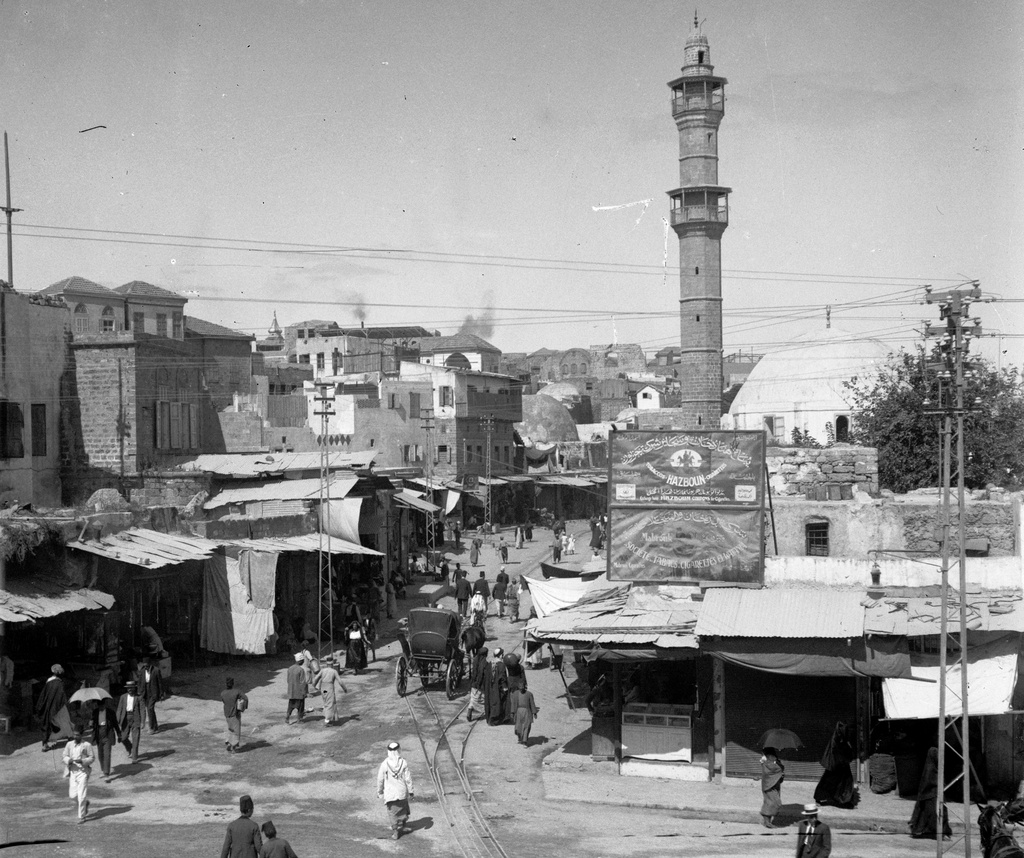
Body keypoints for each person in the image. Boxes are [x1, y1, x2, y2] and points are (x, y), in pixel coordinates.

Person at [909, 747, 952, 839]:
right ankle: (938, 832)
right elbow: (930, 782)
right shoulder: (930, 769)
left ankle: (939, 831)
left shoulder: (933, 767)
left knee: (936, 812)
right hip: (931, 794)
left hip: (932, 794)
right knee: (935, 813)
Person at [377, 741, 414, 840]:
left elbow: (380, 779)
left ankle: (396, 832)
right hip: (402, 792)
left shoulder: (384, 764)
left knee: (392, 813)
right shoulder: (403, 762)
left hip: (390, 794)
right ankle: (404, 826)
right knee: (404, 809)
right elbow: (408, 778)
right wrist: (411, 790)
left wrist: (380, 791)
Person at [814, 721, 855, 807]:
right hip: (835, 764)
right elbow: (836, 752)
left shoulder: (842, 739)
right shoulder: (836, 740)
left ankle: (845, 800)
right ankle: (819, 798)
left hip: (841, 764)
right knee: (828, 782)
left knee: (845, 783)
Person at [62, 725, 94, 824]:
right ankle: (85, 804)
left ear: (81, 735)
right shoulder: (69, 744)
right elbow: (64, 755)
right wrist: (68, 760)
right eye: (74, 735)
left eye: (77, 735)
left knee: (82, 795)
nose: (75, 737)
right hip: (72, 772)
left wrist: (83, 761)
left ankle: (82, 816)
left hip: (83, 772)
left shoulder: (87, 745)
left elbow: (92, 758)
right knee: (72, 795)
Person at [36, 663, 71, 751]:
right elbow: (61, 696)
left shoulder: (48, 681)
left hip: (49, 707)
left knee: (48, 723)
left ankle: (45, 744)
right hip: (59, 706)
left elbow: (45, 695)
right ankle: (70, 737)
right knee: (65, 720)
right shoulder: (59, 682)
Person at [86, 696, 121, 781]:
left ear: (105, 705)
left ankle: (106, 773)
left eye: (102, 705)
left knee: (107, 754)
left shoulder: (111, 712)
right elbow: (91, 724)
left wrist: (119, 734)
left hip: (107, 735)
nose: (101, 707)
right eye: (99, 706)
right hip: (98, 735)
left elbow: (115, 724)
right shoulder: (94, 712)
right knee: (100, 754)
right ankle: (103, 770)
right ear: (97, 705)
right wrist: (90, 723)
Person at [116, 679, 144, 763]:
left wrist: (143, 721)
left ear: (134, 688)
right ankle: (130, 748)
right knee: (123, 737)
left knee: (135, 738)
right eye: (128, 688)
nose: (130, 690)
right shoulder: (123, 697)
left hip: (135, 719)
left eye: (131, 688)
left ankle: (134, 758)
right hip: (125, 718)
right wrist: (117, 719)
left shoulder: (139, 697)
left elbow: (142, 709)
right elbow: (119, 709)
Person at [314, 660, 347, 726]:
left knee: (327, 702)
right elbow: (340, 681)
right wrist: (344, 689)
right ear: (332, 665)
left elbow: (316, 678)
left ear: (327, 664)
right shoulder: (334, 671)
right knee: (330, 703)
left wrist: (314, 686)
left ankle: (333, 718)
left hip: (323, 689)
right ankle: (327, 721)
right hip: (329, 688)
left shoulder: (323, 670)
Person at [137, 655, 164, 734]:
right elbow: (140, 682)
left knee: (149, 708)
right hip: (145, 692)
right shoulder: (142, 671)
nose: (146, 668)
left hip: (153, 692)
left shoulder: (156, 670)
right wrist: (139, 692)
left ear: (150, 665)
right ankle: (155, 726)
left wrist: (161, 694)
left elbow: (160, 683)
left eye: (147, 666)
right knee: (151, 710)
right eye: (144, 666)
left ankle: (151, 728)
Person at [221, 677, 249, 753]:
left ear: (226, 684)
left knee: (230, 729)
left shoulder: (223, 693)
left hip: (227, 714)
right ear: (233, 684)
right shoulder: (237, 692)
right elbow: (245, 698)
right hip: (235, 714)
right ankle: (234, 747)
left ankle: (229, 744)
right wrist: (242, 707)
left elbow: (224, 702)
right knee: (236, 731)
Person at [760, 747, 785, 828]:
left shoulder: (773, 762)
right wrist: (780, 769)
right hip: (768, 786)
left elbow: (778, 770)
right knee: (772, 803)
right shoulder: (767, 764)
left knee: (771, 802)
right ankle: (767, 822)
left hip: (773, 786)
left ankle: (767, 821)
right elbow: (772, 772)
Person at [467, 647, 490, 722]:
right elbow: (482, 675)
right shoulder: (485, 663)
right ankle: (487, 713)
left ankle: (470, 710)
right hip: (481, 684)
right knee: (484, 698)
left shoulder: (475, 660)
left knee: (473, 698)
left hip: (474, 683)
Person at [486, 648, 509, 726]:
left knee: (492, 702)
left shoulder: (490, 663)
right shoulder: (501, 665)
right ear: (501, 655)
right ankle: (496, 719)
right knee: (499, 702)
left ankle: (490, 717)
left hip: (490, 687)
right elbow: (502, 677)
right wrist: (505, 687)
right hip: (498, 687)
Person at [285, 653, 307, 725]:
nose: (303, 662)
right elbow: (302, 682)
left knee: (290, 706)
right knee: (300, 707)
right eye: (303, 660)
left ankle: (287, 717)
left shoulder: (290, 668)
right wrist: (304, 692)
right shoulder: (301, 670)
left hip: (291, 691)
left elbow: (288, 680)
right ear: (300, 661)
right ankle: (299, 719)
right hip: (299, 692)